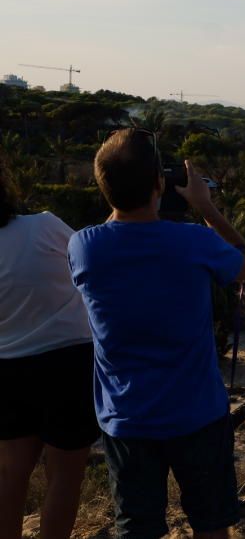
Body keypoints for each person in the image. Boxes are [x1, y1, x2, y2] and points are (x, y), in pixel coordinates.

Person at [67, 129, 245, 538]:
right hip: (197, 412)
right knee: (210, 524)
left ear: (104, 188)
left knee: (138, 528)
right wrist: (207, 208)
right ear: (159, 183)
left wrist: (128, 194)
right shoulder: (194, 241)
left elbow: (113, 226)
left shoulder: (84, 247)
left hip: (127, 418)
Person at [0, 155, 98, 539]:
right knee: (64, 476)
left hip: (7, 367)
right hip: (68, 364)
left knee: (10, 473)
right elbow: (90, 256)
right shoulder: (43, 226)